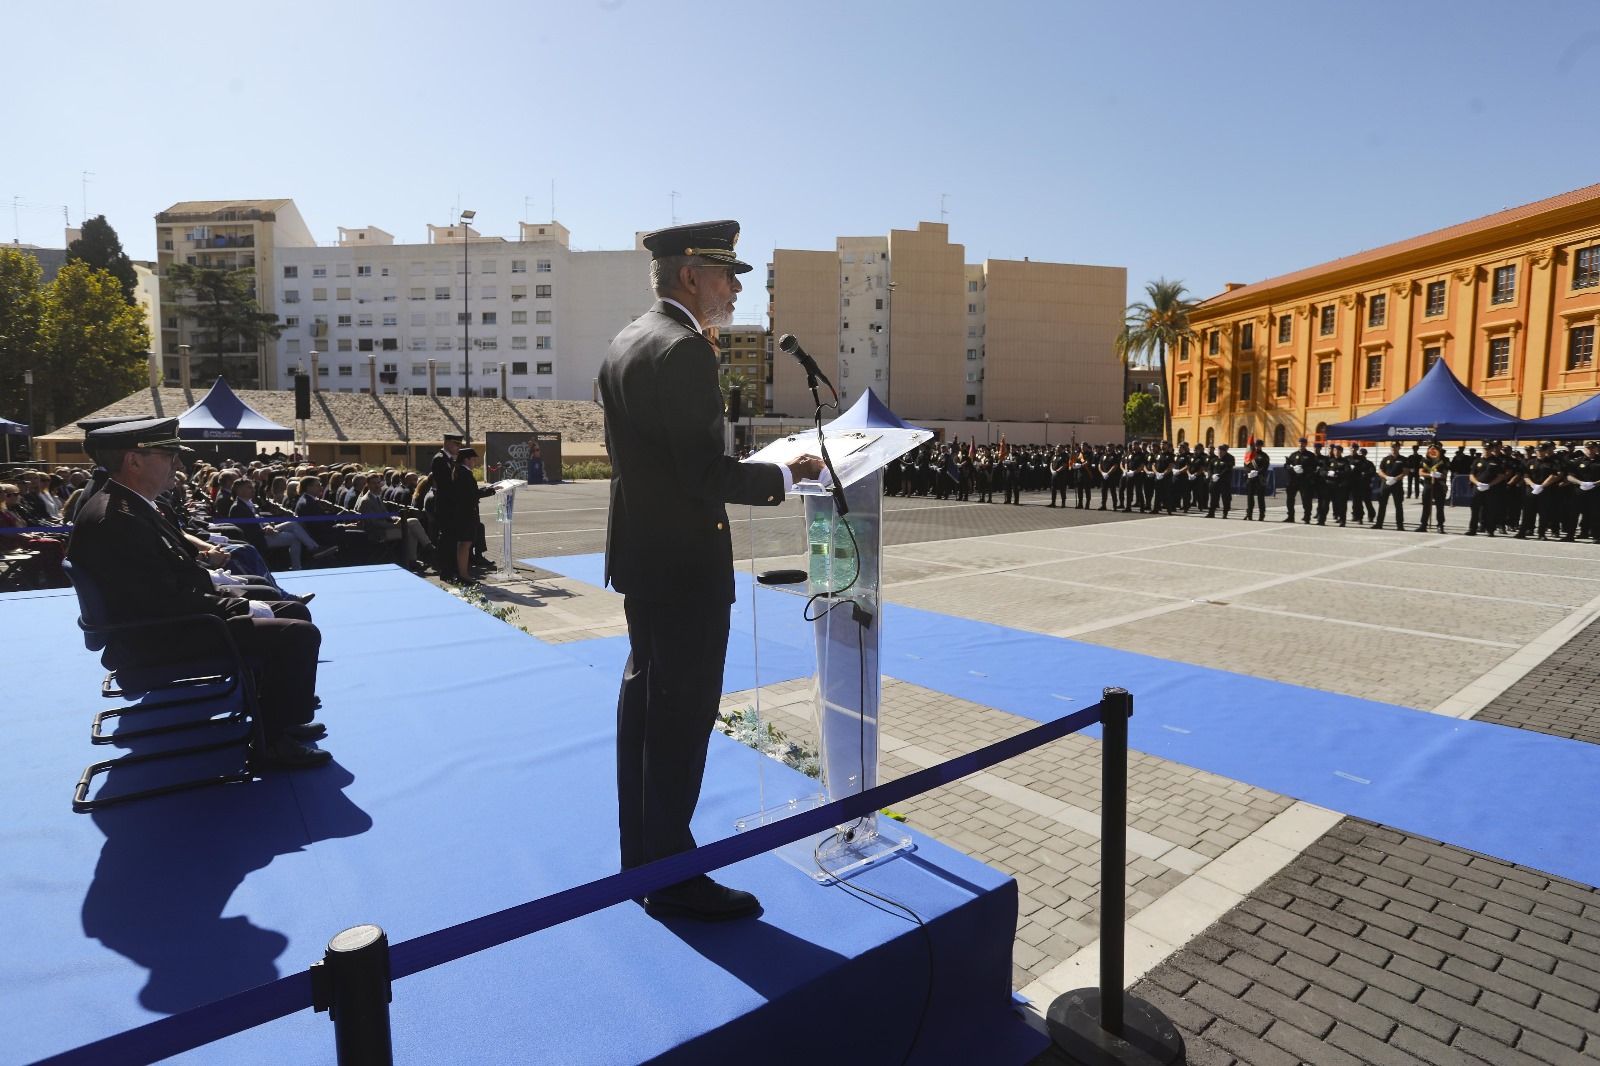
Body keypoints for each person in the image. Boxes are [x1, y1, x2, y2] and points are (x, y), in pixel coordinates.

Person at [599, 220, 823, 922]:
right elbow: (700, 471)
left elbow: (649, 465)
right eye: (727, 275)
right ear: (690, 274)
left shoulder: (628, 340)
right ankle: (671, 875)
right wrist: (780, 475)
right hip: (687, 567)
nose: (734, 288)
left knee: (645, 708)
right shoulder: (685, 350)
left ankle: (644, 857)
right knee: (681, 716)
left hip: (643, 558)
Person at [64, 418, 329, 769]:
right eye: (168, 454)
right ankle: (274, 745)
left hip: (167, 620)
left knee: (293, 612)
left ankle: (276, 718)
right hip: (159, 635)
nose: (176, 463)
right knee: (298, 633)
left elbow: (170, 581)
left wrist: (238, 600)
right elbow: (164, 601)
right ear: (134, 461)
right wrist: (242, 606)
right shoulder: (117, 519)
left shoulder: (127, 505)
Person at [1373, 442, 1407, 531]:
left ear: (1399, 448)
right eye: (1392, 447)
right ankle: (1379, 523)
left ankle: (1400, 525)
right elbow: (1380, 471)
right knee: (1382, 504)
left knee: (1398, 505)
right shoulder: (1386, 459)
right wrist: (1387, 477)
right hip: (1386, 484)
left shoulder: (1403, 459)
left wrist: (1395, 479)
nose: (1393, 448)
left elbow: (1405, 472)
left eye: (1395, 447)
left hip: (1397, 484)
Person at [1417, 443, 1450, 533]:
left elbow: (1445, 474)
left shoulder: (1445, 460)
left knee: (1440, 507)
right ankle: (1423, 525)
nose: (1432, 450)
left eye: (1435, 449)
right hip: (1428, 485)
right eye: (1430, 448)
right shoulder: (1425, 460)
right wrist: (1430, 474)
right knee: (1426, 506)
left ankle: (1440, 525)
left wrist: (1439, 475)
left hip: (1440, 485)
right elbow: (1420, 473)